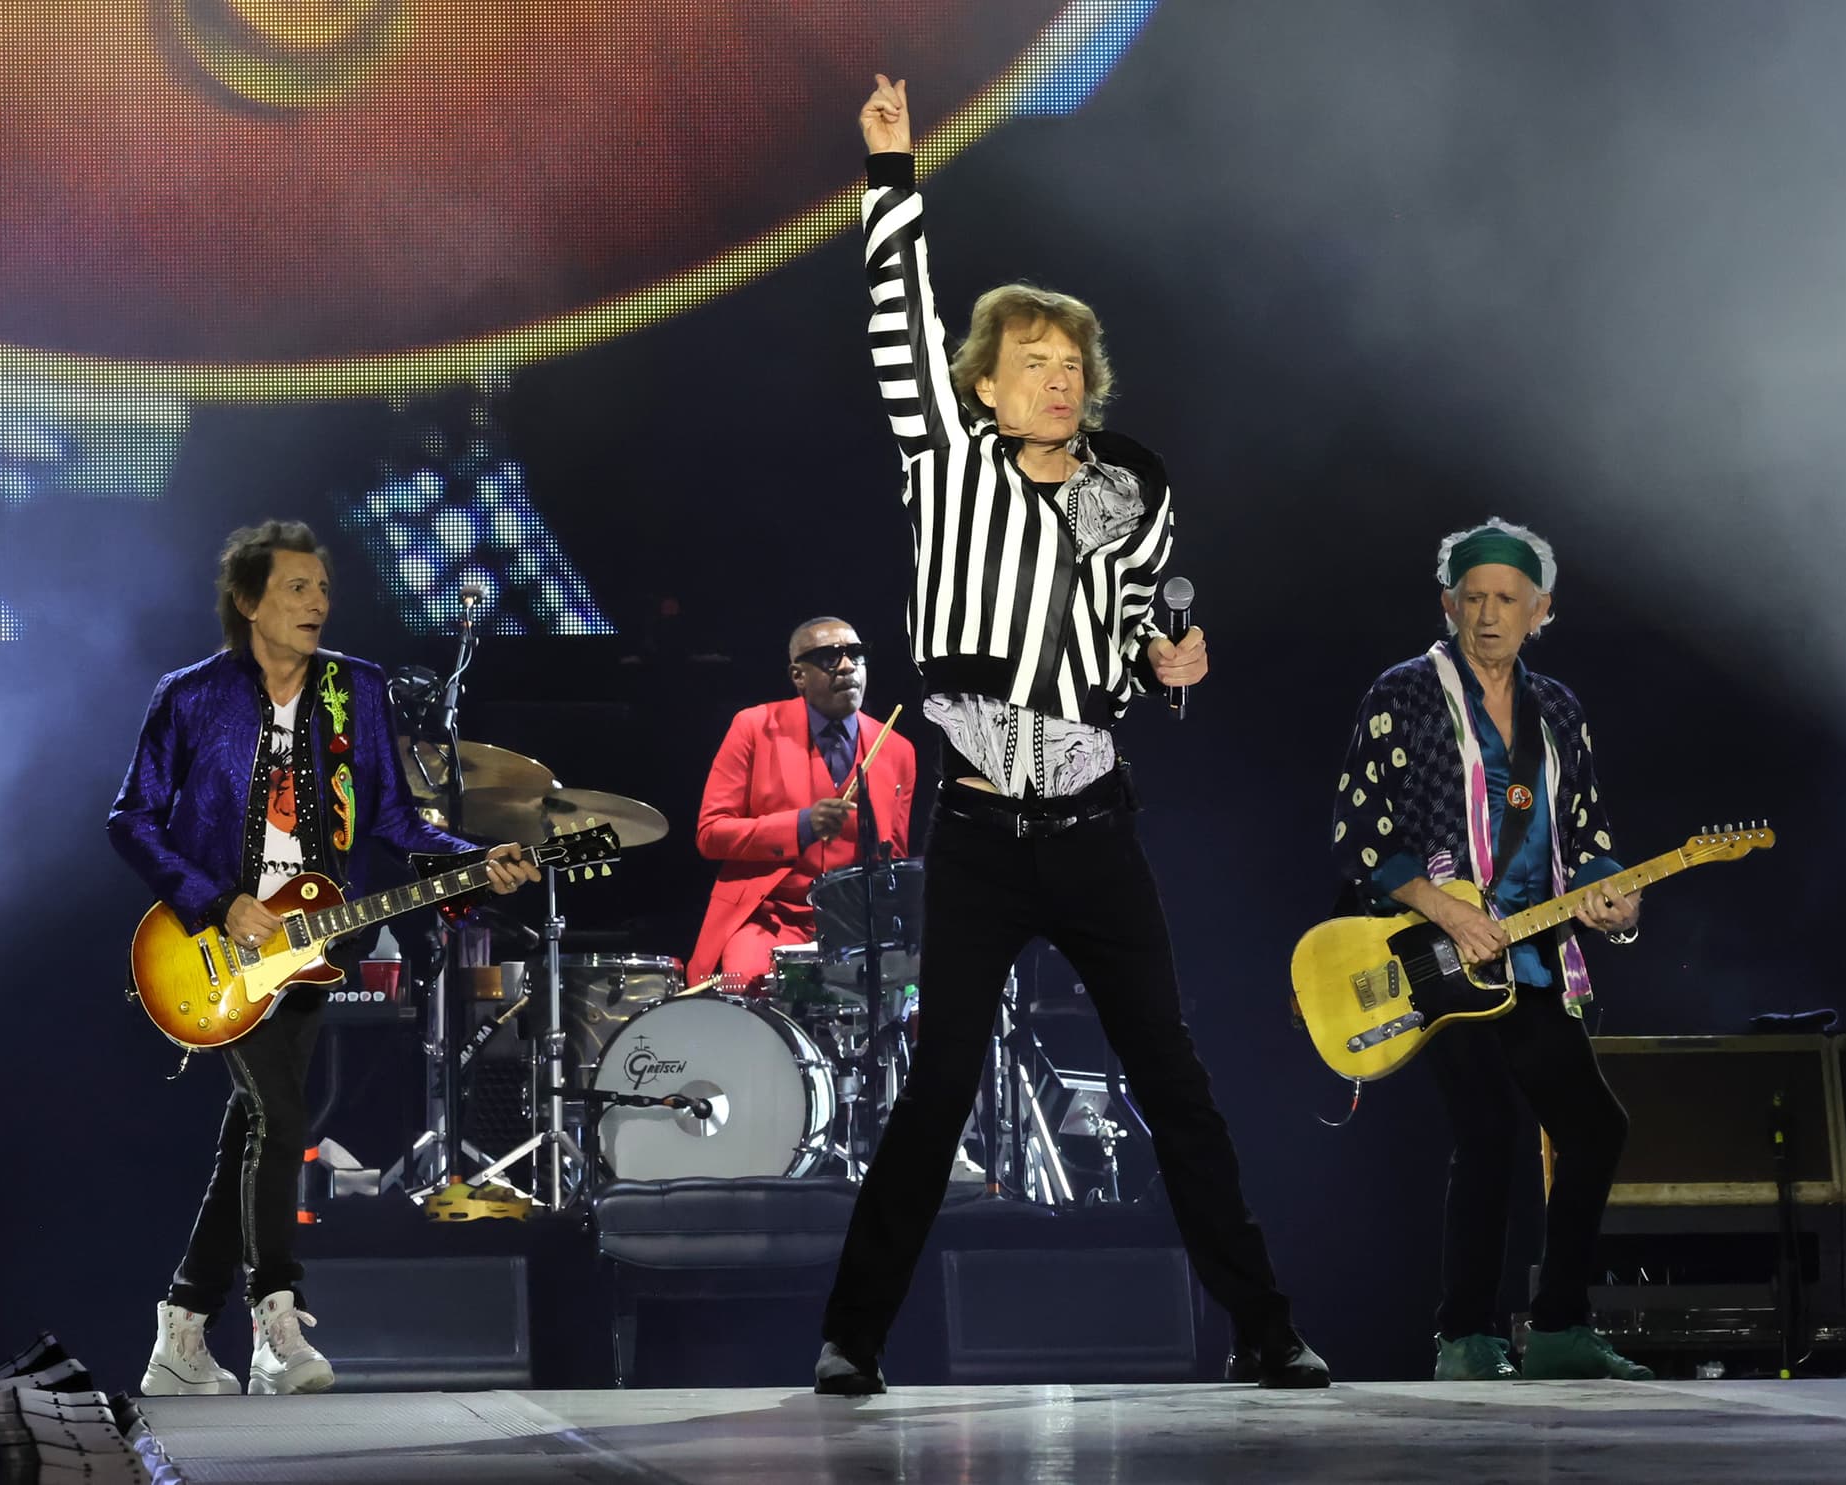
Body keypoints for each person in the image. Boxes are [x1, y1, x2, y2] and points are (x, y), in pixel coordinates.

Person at [812, 76, 1328, 1395]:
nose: (1058, 380)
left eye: (1071, 363)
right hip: (983, 828)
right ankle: (852, 1336)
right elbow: (896, 317)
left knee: (1176, 1081)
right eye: (1031, 362)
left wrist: (1174, 656)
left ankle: (1267, 1326)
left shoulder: (1133, 485)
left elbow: (1155, 620)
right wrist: (891, 171)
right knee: (935, 1094)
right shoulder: (946, 454)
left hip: (1097, 824)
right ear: (984, 386)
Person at [109, 520, 538, 1397]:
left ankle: (183, 1330)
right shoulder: (191, 696)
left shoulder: (355, 690)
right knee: (280, 1116)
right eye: (297, 587)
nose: (317, 602)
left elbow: (392, 822)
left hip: (313, 943)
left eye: (323, 588)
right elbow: (132, 816)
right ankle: (275, 1317)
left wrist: (472, 859)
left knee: (255, 1128)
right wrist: (216, 900)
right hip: (215, 943)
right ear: (248, 600)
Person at [1329, 517, 1650, 1382]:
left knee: (1593, 1127)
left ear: (1541, 609)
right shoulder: (1402, 693)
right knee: (1490, 1129)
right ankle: (1465, 1335)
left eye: (1507, 599)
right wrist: (1446, 909)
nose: (1488, 614)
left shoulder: (1561, 711)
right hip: (1440, 957)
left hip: (1533, 953)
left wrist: (1616, 900)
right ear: (1447, 603)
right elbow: (1359, 834)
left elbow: (1587, 838)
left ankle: (1557, 1326)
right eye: (1472, 597)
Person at [690, 617, 916, 982]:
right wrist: (800, 825)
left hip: (856, 926)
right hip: (769, 916)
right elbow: (711, 833)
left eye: (856, 655)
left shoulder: (897, 750)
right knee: (747, 984)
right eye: (829, 657)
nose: (846, 666)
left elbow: (896, 858)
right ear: (798, 676)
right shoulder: (753, 727)